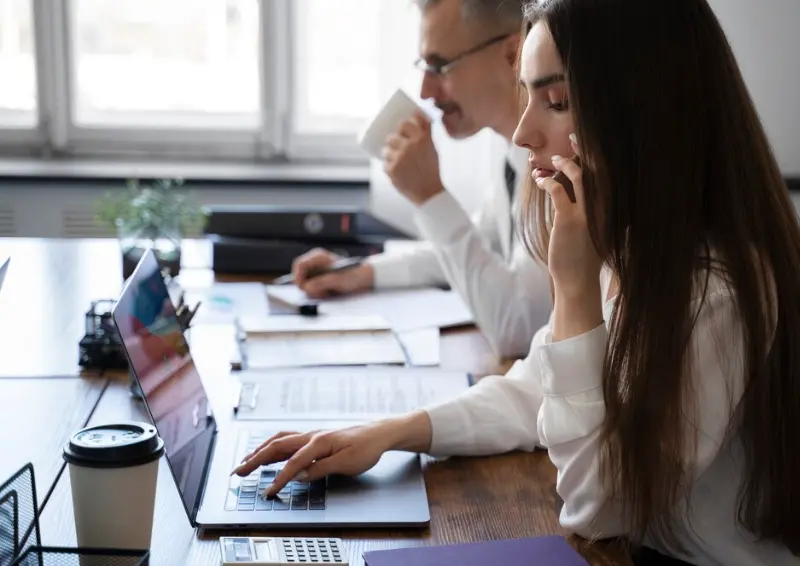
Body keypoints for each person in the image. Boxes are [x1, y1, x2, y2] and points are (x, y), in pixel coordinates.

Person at [235, 0, 800, 563]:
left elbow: (598, 508)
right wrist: (388, 433)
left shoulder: (714, 291)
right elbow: (533, 387)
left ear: (648, 111)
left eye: (555, 101)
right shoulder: (630, 241)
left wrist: (575, 291)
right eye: (527, 94)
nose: (526, 131)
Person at [290, 0, 551, 358]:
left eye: (439, 66)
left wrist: (430, 197)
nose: (426, 91)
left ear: (512, 55)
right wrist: (363, 272)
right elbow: (481, 245)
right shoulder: (509, 153)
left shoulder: (556, 163)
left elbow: (518, 330)